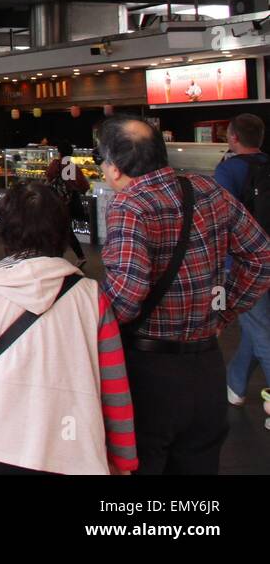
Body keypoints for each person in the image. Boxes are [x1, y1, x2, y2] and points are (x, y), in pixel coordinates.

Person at [97, 115, 270, 473]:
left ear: (115, 167)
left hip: (148, 373)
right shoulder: (207, 189)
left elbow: (128, 297)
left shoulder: (129, 205)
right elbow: (261, 255)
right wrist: (224, 312)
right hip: (206, 365)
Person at [0, 182, 138, 474]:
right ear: (60, 232)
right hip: (67, 448)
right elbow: (114, 386)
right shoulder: (92, 296)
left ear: (5, 231)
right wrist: (124, 458)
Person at [213, 113, 270, 414]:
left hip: (244, 264)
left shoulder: (229, 170)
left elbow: (221, 221)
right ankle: (235, 384)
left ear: (233, 138)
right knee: (256, 326)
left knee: (261, 331)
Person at [44, 140, 89, 265]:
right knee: (65, 229)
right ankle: (76, 256)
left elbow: (48, 176)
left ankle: (58, 258)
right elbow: (84, 186)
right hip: (69, 203)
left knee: (60, 229)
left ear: (59, 152)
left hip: (56, 203)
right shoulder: (72, 167)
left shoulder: (56, 164)